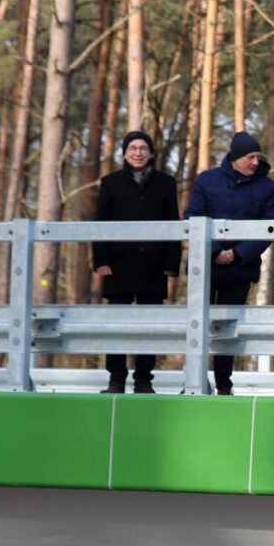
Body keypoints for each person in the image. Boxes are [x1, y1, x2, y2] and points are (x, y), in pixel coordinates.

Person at [185, 130, 274, 395]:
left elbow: (268, 228)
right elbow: (193, 217)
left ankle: (224, 384)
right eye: (250, 157)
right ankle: (192, 382)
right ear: (236, 157)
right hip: (205, 266)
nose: (255, 162)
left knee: (229, 327)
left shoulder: (266, 187)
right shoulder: (207, 180)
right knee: (196, 325)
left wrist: (237, 254)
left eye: (258, 157)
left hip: (241, 269)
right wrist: (215, 251)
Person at [92, 130, 182, 394]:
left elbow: (173, 223)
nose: (138, 153)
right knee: (116, 326)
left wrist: (171, 264)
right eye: (132, 148)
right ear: (124, 153)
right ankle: (116, 379)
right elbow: (99, 223)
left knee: (149, 326)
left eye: (143, 148)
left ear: (151, 153)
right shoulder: (110, 183)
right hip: (118, 265)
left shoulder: (166, 183)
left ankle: (144, 380)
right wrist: (101, 261)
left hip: (154, 266)